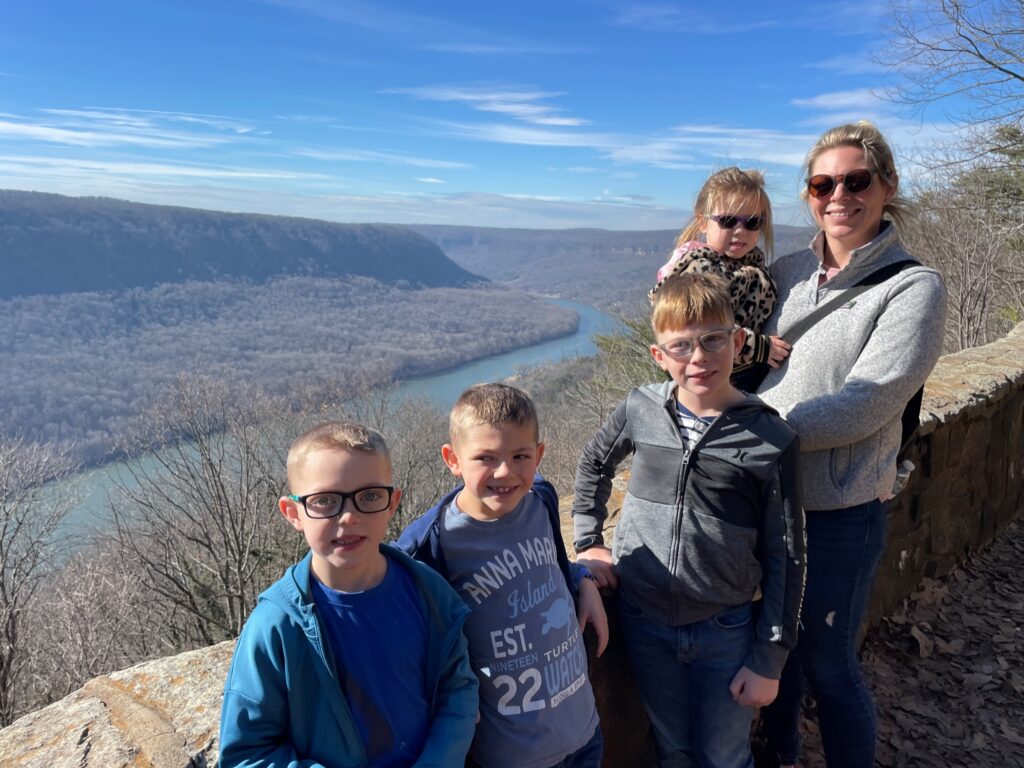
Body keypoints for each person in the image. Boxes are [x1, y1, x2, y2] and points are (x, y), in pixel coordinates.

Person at [756, 121, 948, 768]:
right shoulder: (784, 272)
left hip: (840, 510)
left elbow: (867, 404)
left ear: (887, 187)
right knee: (772, 649)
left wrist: (744, 431)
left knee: (829, 666)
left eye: (855, 180)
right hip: (766, 502)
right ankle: (778, 755)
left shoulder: (913, 287)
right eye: (822, 183)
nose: (838, 194)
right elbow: (705, 325)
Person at [572, 272, 806, 768]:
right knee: (672, 747)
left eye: (712, 341)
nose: (697, 358)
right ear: (659, 356)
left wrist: (769, 658)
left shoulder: (770, 436)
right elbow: (594, 461)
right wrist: (589, 541)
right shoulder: (641, 407)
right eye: (680, 347)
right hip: (643, 618)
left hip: (725, 627)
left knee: (724, 754)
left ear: (738, 342)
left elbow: (787, 552)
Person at [218, 422, 479, 768]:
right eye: (325, 501)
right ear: (293, 513)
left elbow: (457, 687)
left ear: (392, 503)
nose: (349, 517)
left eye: (369, 496)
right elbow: (247, 754)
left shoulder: (428, 593)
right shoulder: (278, 627)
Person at [397, 383, 609, 768]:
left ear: (539, 455)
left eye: (520, 455)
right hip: (510, 753)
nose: (505, 472)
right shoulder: (430, 545)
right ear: (452, 459)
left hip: (583, 731)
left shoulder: (540, 499)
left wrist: (581, 578)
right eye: (485, 458)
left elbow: (555, 565)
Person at [649, 167, 791, 391]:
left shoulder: (751, 263)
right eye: (727, 220)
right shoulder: (699, 269)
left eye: (752, 222)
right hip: (715, 382)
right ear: (703, 221)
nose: (740, 230)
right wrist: (760, 349)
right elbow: (702, 328)